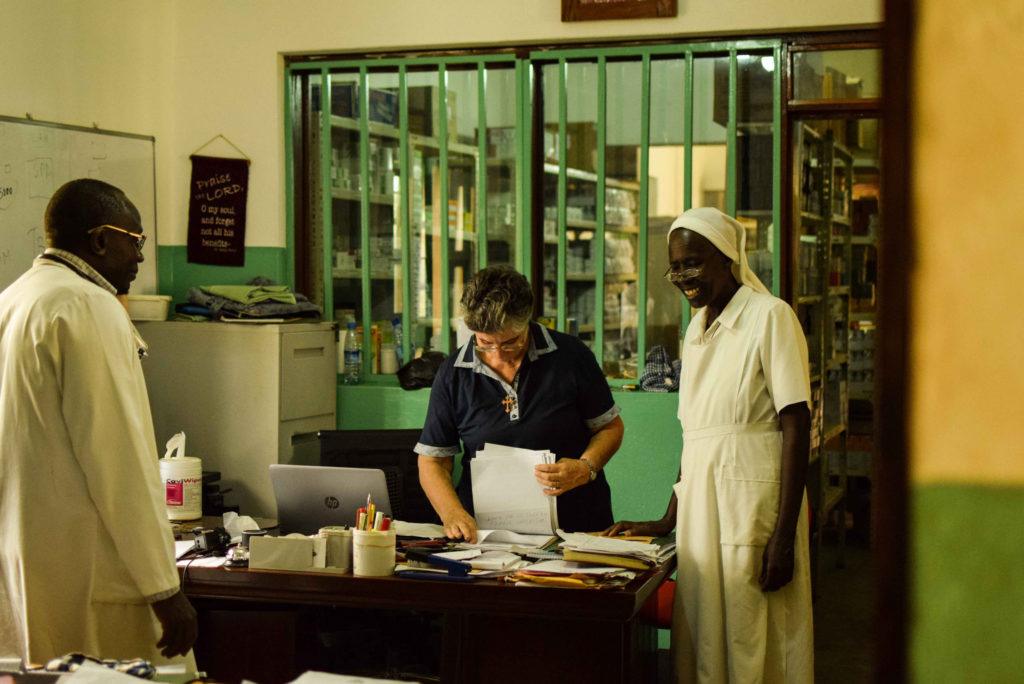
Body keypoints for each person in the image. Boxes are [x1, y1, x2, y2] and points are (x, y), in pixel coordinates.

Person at [605, 207, 813, 682]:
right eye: (675, 267)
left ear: (727, 258)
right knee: (702, 635)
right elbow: (696, 435)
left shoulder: (769, 317)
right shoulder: (695, 333)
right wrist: (666, 518)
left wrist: (783, 536)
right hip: (701, 510)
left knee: (752, 631)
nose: (682, 277)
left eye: (692, 263)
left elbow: (796, 420)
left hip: (754, 505)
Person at [0, 179, 197, 666]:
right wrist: (164, 586)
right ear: (100, 240)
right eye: (136, 241)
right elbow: (119, 459)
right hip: (87, 567)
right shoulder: (90, 307)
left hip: (21, 560)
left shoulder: (12, 300)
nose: (141, 258)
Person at [416, 265, 624, 542]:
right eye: (485, 343)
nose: (498, 354)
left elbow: (609, 427)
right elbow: (433, 461)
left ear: (528, 320)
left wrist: (586, 468)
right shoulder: (453, 372)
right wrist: (452, 513)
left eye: (511, 342)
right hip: (487, 536)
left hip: (579, 525)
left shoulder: (571, 356)